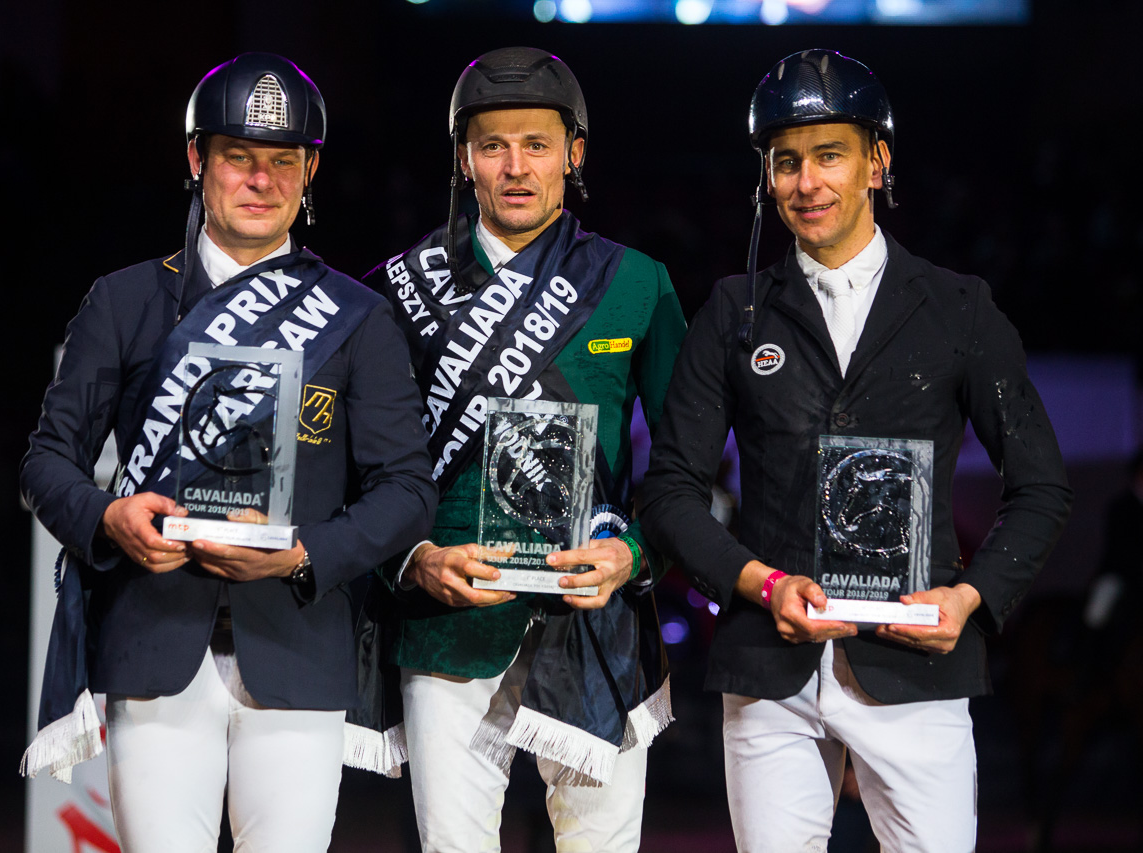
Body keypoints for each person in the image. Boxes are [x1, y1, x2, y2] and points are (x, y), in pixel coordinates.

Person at [639, 49, 1072, 852]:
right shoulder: (733, 312)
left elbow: (1041, 486)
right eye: (786, 161)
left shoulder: (960, 309)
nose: (807, 182)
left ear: (877, 162)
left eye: (829, 156)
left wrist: (970, 598)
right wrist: (763, 584)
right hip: (770, 665)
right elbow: (669, 490)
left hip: (916, 664)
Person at [19, 52, 437, 852]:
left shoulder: (357, 315)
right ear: (196, 159)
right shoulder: (123, 301)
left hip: (297, 644)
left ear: (311, 170)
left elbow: (407, 490)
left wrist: (305, 554)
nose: (261, 180)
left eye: (283, 161)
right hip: (153, 638)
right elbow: (46, 461)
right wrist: (108, 517)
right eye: (239, 157)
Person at [349, 46, 686, 853]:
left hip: (596, 618)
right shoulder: (394, 291)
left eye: (537, 144)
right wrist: (413, 560)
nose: (515, 166)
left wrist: (634, 554)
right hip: (447, 621)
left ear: (575, 152)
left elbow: (692, 464)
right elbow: (360, 472)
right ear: (464, 158)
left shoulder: (637, 283)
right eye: (493, 145)